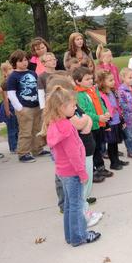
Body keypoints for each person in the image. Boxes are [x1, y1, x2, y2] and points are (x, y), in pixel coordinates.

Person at [41, 85, 101, 246]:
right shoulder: (66, 127)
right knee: (76, 205)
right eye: (73, 105)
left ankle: (71, 235)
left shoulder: (54, 124)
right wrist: (82, 173)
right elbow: (73, 154)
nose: (76, 107)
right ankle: (78, 237)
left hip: (62, 172)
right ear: (62, 107)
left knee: (69, 205)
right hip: (73, 172)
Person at [6, 50, 49, 163]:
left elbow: (39, 89)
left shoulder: (32, 73)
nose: (24, 62)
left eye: (26, 60)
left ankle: (37, 149)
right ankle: (23, 153)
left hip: (36, 105)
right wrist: (20, 108)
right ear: (14, 63)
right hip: (24, 108)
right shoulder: (13, 76)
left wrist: (42, 104)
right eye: (21, 61)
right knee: (26, 131)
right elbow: (11, 94)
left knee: (37, 129)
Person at [72, 67, 113, 182]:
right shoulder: (79, 95)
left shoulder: (93, 90)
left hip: (98, 124)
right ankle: (92, 171)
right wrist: (98, 117)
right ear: (78, 81)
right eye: (87, 79)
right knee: (91, 149)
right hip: (88, 127)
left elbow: (100, 102)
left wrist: (105, 112)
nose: (91, 81)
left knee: (99, 147)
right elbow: (84, 112)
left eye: (91, 78)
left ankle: (100, 167)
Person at [96, 70, 129, 170]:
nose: (113, 82)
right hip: (109, 123)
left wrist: (121, 119)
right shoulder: (101, 94)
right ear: (102, 82)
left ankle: (117, 160)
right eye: (110, 80)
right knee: (111, 143)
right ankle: (113, 163)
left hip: (116, 121)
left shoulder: (113, 92)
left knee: (115, 143)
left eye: (113, 79)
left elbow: (118, 106)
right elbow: (102, 109)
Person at [0, 62, 18, 154]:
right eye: (9, 69)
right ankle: (13, 147)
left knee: (18, 127)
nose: (12, 70)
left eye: (12, 68)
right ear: (4, 73)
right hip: (9, 106)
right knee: (12, 128)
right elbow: (5, 98)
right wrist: (7, 110)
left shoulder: (14, 80)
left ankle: (18, 144)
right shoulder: (5, 83)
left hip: (16, 105)